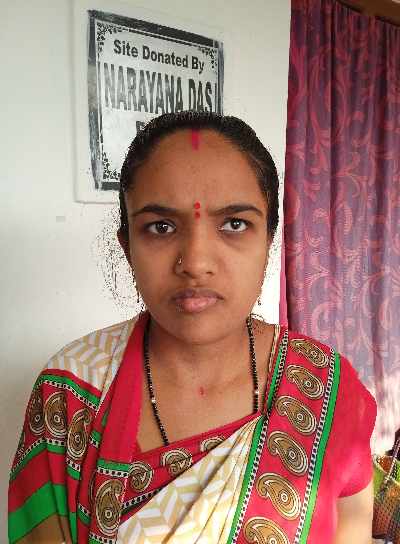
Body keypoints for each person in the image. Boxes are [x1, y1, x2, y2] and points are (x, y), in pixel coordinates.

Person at [8, 111, 376, 543]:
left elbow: (352, 524)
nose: (196, 263)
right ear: (128, 246)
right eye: (161, 227)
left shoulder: (328, 388)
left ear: (268, 240)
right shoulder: (69, 395)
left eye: (234, 224)